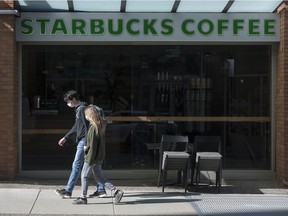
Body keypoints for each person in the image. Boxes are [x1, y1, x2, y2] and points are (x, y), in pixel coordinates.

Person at [54, 90, 106, 198]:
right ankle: (101, 190)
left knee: (77, 165)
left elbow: (87, 128)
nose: (68, 104)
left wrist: (87, 144)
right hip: (86, 141)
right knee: (95, 165)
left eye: (68, 101)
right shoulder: (81, 108)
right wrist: (66, 137)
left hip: (84, 142)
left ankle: (68, 191)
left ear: (73, 99)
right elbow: (77, 126)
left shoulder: (82, 109)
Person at [72, 105, 124, 204]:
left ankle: (83, 197)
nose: (85, 116)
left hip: (91, 158)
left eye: (86, 115)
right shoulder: (100, 126)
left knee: (84, 175)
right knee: (99, 177)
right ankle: (116, 191)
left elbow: (90, 146)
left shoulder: (92, 129)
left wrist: (86, 156)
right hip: (98, 157)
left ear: (90, 115)